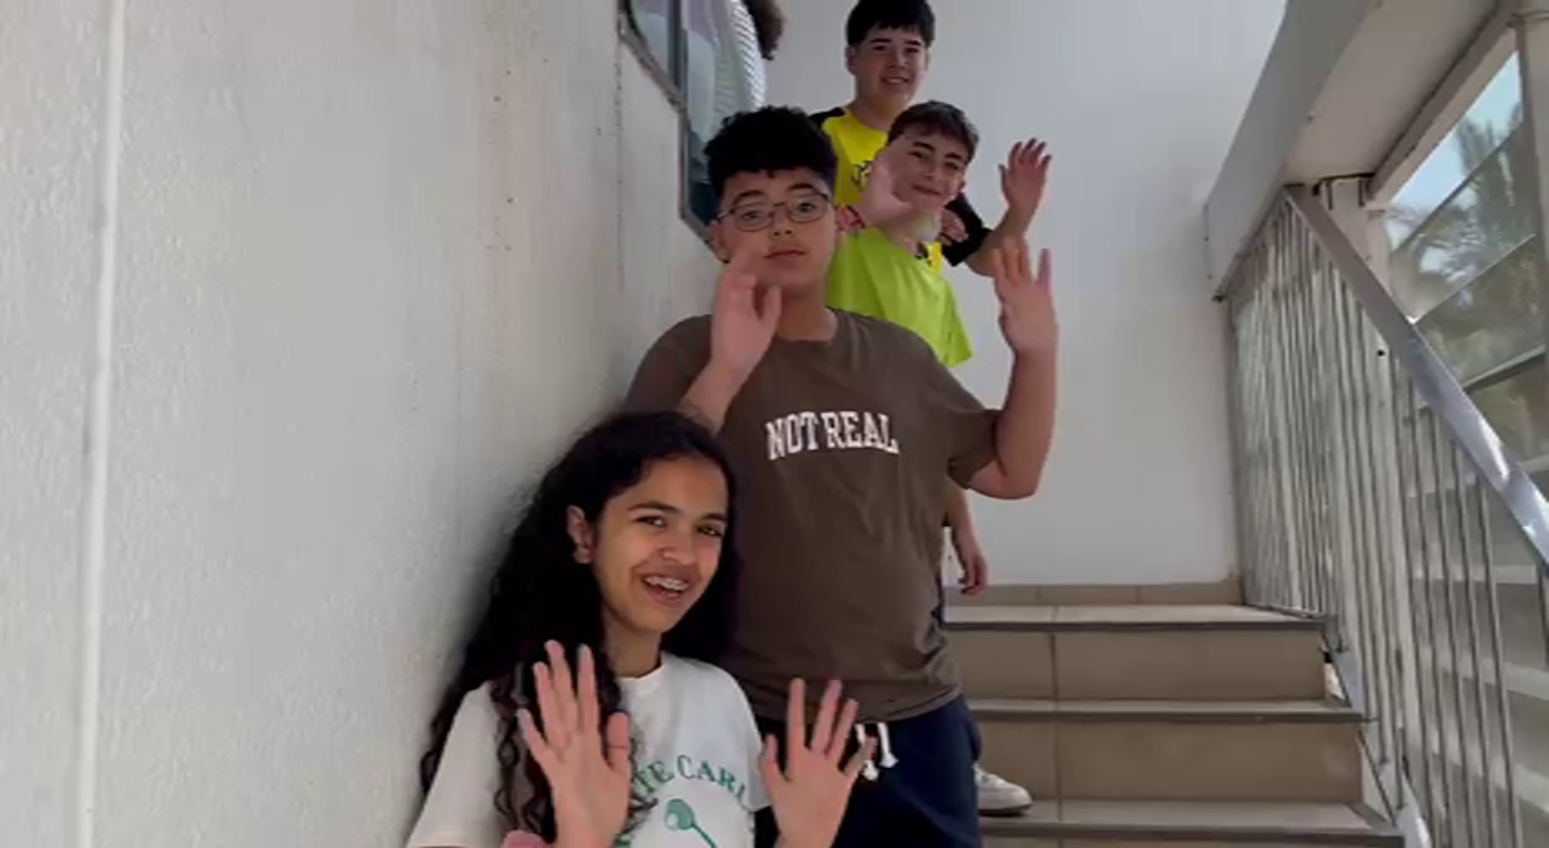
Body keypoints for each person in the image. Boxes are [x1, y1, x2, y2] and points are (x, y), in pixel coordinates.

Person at [625, 107, 1058, 846]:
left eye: (804, 205)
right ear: (720, 236)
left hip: (916, 714)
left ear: (836, 221)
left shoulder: (898, 356)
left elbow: (1010, 472)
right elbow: (645, 503)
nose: (782, 227)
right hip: (756, 716)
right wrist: (727, 368)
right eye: (753, 211)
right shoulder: (686, 353)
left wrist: (1037, 355)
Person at [409, 412, 873, 848]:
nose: (684, 554)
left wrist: (804, 841)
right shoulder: (505, 712)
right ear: (583, 533)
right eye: (653, 521)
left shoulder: (719, 696)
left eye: (708, 530)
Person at [816, 1, 1051, 814]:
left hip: (900, 474)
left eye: (912, 48)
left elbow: (981, 264)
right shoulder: (819, 143)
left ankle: (943, 761)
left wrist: (961, 520)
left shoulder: (930, 268)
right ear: (850, 56)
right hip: (821, 438)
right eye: (880, 46)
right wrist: (860, 215)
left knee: (913, 623)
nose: (897, 61)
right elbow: (773, 241)